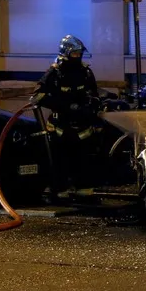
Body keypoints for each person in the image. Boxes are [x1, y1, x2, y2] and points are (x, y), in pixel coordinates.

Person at [30, 35, 102, 193]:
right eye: (74, 54)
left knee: (84, 159)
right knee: (60, 160)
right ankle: (59, 189)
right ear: (65, 54)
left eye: (79, 54)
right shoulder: (54, 73)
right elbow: (37, 96)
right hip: (60, 127)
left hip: (82, 126)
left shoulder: (86, 72)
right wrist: (63, 105)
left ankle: (83, 188)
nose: (77, 57)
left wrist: (91, 105)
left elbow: (94, 93)